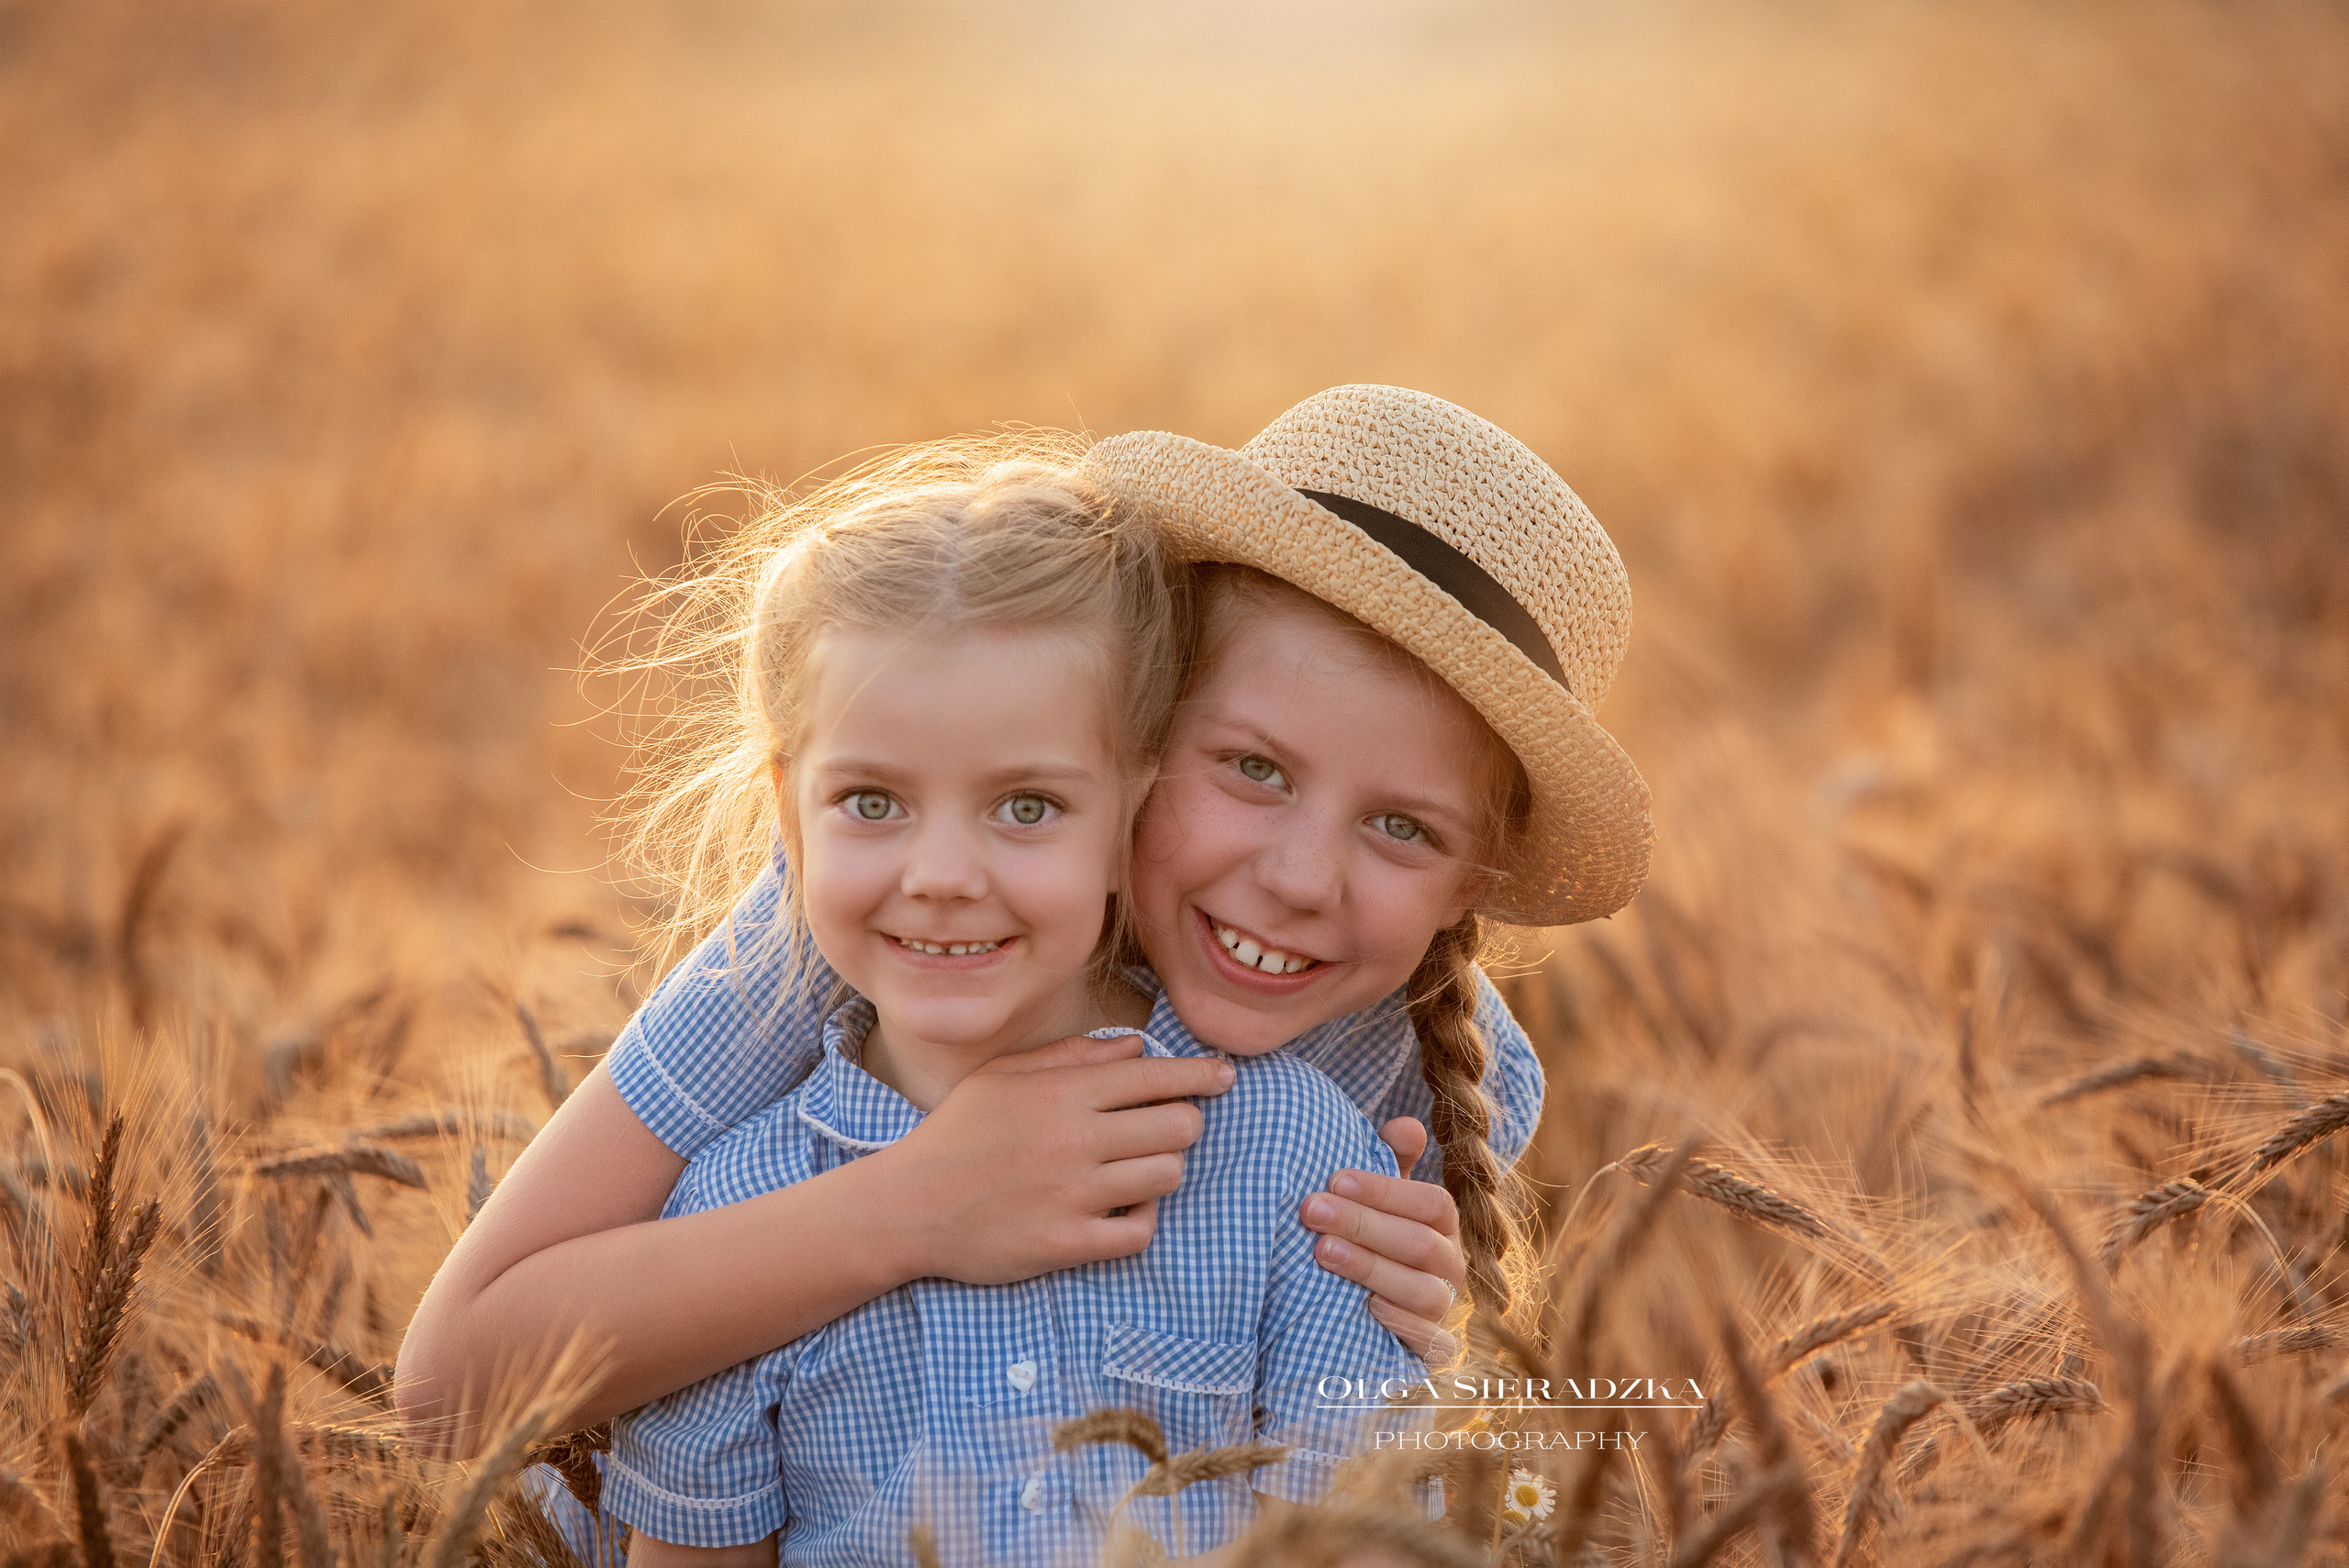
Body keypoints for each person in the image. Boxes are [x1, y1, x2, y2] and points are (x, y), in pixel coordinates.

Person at [394, 388, 1651, 1468]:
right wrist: (911, 1206)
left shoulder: (1429, 1080)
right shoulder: (875, 917)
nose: (1301, 880)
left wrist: (1430, 1343)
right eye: (1253, 768)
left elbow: (1354, 1465)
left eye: (1403, 827)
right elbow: (451, 1380)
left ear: (1474, 880)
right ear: (1142, 731)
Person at [600, 450, 1433, 1566]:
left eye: (1026, 805)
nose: (943, 874)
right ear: (788, 823)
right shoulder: (732, 1222)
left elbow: (1362, 1537)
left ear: (1132, 817)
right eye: (871, 800)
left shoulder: (1297, 1160)